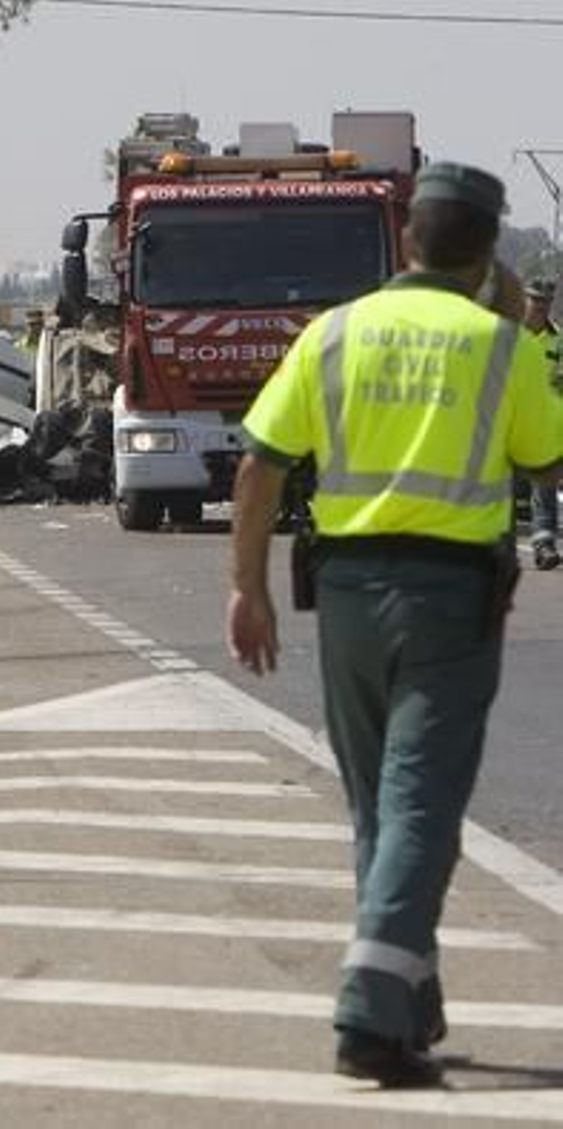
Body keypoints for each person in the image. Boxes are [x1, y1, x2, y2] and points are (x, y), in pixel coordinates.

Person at [225, 162, 563, 1087]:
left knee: (379, 803)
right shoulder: (501, 346)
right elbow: (548, 461)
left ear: (407, 235)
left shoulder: (335, 333)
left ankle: (410, 1000)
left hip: (342, 595)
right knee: (421, 803)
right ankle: (370, 1014)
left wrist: (246, 587)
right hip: (449, 601)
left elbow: (259, 465)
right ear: (490, 250)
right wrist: (508, 317)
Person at [521, 277, 562, 569]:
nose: (539, 306)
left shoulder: (558, 339)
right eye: (534, 300)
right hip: (506, 420)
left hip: (543, 424)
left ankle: (544, 545)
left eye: (545, 301)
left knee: (544, 483)